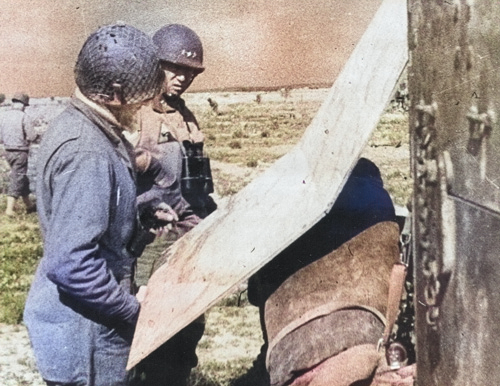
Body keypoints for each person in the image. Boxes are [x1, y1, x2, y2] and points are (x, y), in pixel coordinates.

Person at [23, 23, 165, 386]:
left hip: (84, 329)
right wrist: (133, 312)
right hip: (86, 342)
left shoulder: (83, 125)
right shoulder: (87, 149)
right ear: (115, 93)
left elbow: (86, 214)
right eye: (141, 97)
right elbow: (71, 263)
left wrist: (137, 214)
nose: (145, 106)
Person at [237, 157, 399, 386]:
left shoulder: (285, 204)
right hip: (358, 341)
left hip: (297, 349)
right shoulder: (373, 200)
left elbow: (255, 294)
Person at [127, 24, 215, 386]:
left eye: (189, 72)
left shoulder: (183, 114)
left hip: (187, 236)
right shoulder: (135, 113)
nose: (182, 78)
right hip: (149, 241)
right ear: (153, 66)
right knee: (141, 328)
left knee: (185, 328)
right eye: (174, 69)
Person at [0, 92, 37, 216]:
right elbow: (32, 136)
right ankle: (9, 209)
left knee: (21, 177)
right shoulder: (24, 116)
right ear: (23, 104)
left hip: (7, 152)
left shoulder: (3, 116)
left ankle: (29, 205)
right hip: (20, 152)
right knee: (18, 178)